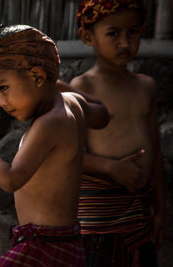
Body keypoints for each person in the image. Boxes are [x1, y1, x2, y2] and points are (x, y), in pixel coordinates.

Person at [0, 24, 109, 266]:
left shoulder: (49, 123)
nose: (2, 102)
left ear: (37, 76)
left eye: (4, 88)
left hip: (43, 248)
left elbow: (10, 179)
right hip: (66, 244)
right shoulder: (72, 104)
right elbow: (103, 114)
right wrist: (57, 83)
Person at [63, 0, 165, 266]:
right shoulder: (82, 87)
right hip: (99, 217)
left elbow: (155, 149)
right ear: (88, 37)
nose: (125, 42)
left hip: (138, 212)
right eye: (113, 33)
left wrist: (161, 208)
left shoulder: (146, 87)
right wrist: (111, 167)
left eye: (133, 32)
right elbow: (71, 155)